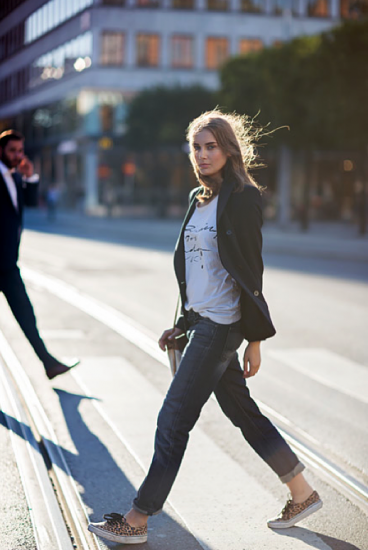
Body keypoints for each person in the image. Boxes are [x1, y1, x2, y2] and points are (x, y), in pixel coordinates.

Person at [88, 110, 322, 545]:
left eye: (211, 145)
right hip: (201, 324)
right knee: (243, 414)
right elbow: (196, 273)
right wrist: (181, 324)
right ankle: (302, 492)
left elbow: (251, 273)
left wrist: (254, 340)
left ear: (229, 148)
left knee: (173, 420)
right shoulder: (200, 199)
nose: (202, 154)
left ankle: (137, 520)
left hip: (221, 328)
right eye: (196, 147)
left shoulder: (243, 199)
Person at [0, 130, 79, 380]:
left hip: (8, 264)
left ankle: (49, 363)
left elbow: (30, 203)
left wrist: (30, 175)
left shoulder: (14, 176)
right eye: (12, 151)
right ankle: (48, 362)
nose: (18, 155)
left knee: (25, 313)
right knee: (24, 312)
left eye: (20, 150)